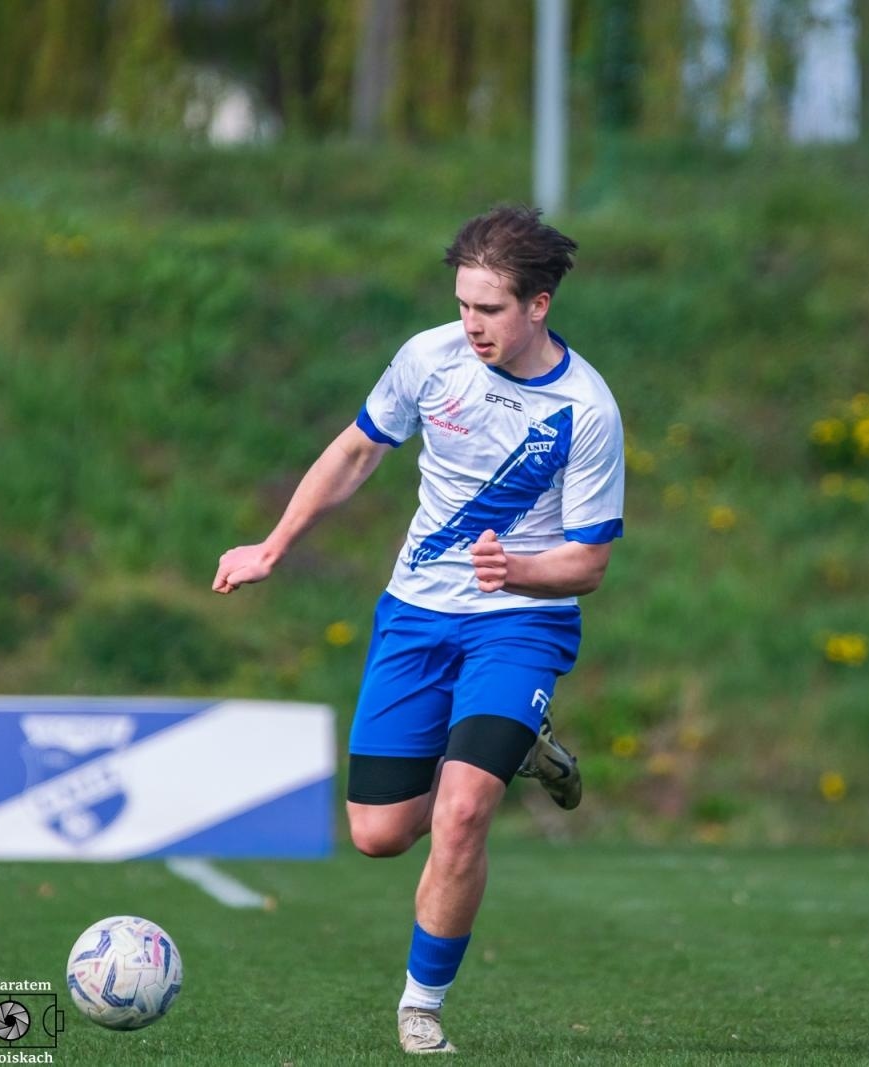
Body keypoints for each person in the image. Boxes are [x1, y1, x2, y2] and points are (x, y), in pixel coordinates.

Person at [212, 206, 624, 1054]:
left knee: (465, 809)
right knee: (380, 833)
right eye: (464, 304)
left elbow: (587, 564)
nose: (471, 324)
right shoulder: (429, 358)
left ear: (539, 305)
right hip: (416, 614)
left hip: (521, 623)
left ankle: (421, 1003)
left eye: (490, 310)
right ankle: (521, 745)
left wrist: (517, 568)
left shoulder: (586, 411)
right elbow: (357, 450)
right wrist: (273, 544)